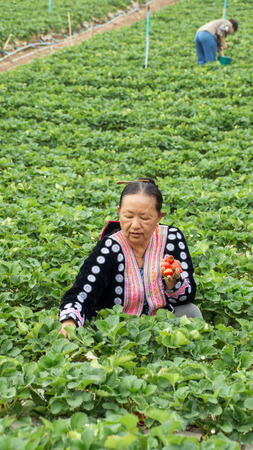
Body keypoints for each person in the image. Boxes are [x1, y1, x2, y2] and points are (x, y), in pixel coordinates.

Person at [59, 178, 202, 337]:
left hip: (163, 322)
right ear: (119, 212)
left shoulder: (172, 239)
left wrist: (173, 282)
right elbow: (82, 291)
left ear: (159, 217)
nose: (135, 225)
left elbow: (188, 295)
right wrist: (69, 322)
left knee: (191, 312)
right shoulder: (110, 248)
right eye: (128, 216)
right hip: (120, 328)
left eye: (145, 218)